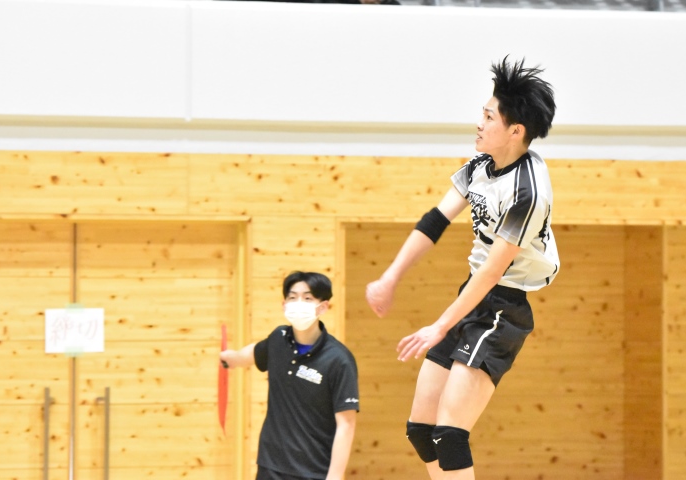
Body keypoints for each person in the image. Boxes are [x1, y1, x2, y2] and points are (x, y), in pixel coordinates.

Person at [365, 56, 559, 480]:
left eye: (489, 117)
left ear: (515, 131)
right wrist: (390, 277)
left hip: (504, 307)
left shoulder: (528, 192)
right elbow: (435, 221)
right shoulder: (480, 166)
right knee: (421, 431)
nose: (479, 123)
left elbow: (492, 272)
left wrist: (439, 327)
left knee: (450, 435)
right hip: (473, 294)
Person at [220, 271, 359, 480]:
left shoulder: (339, 360)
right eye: (293, 297)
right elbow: (255, 352)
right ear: (284, 305)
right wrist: (232, 358)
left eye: (308, 298)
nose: (298, 303)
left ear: (323, 307)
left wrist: (335, 477)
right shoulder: (278, 339)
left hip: (312, 471)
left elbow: (346, 424)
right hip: (270, 466)